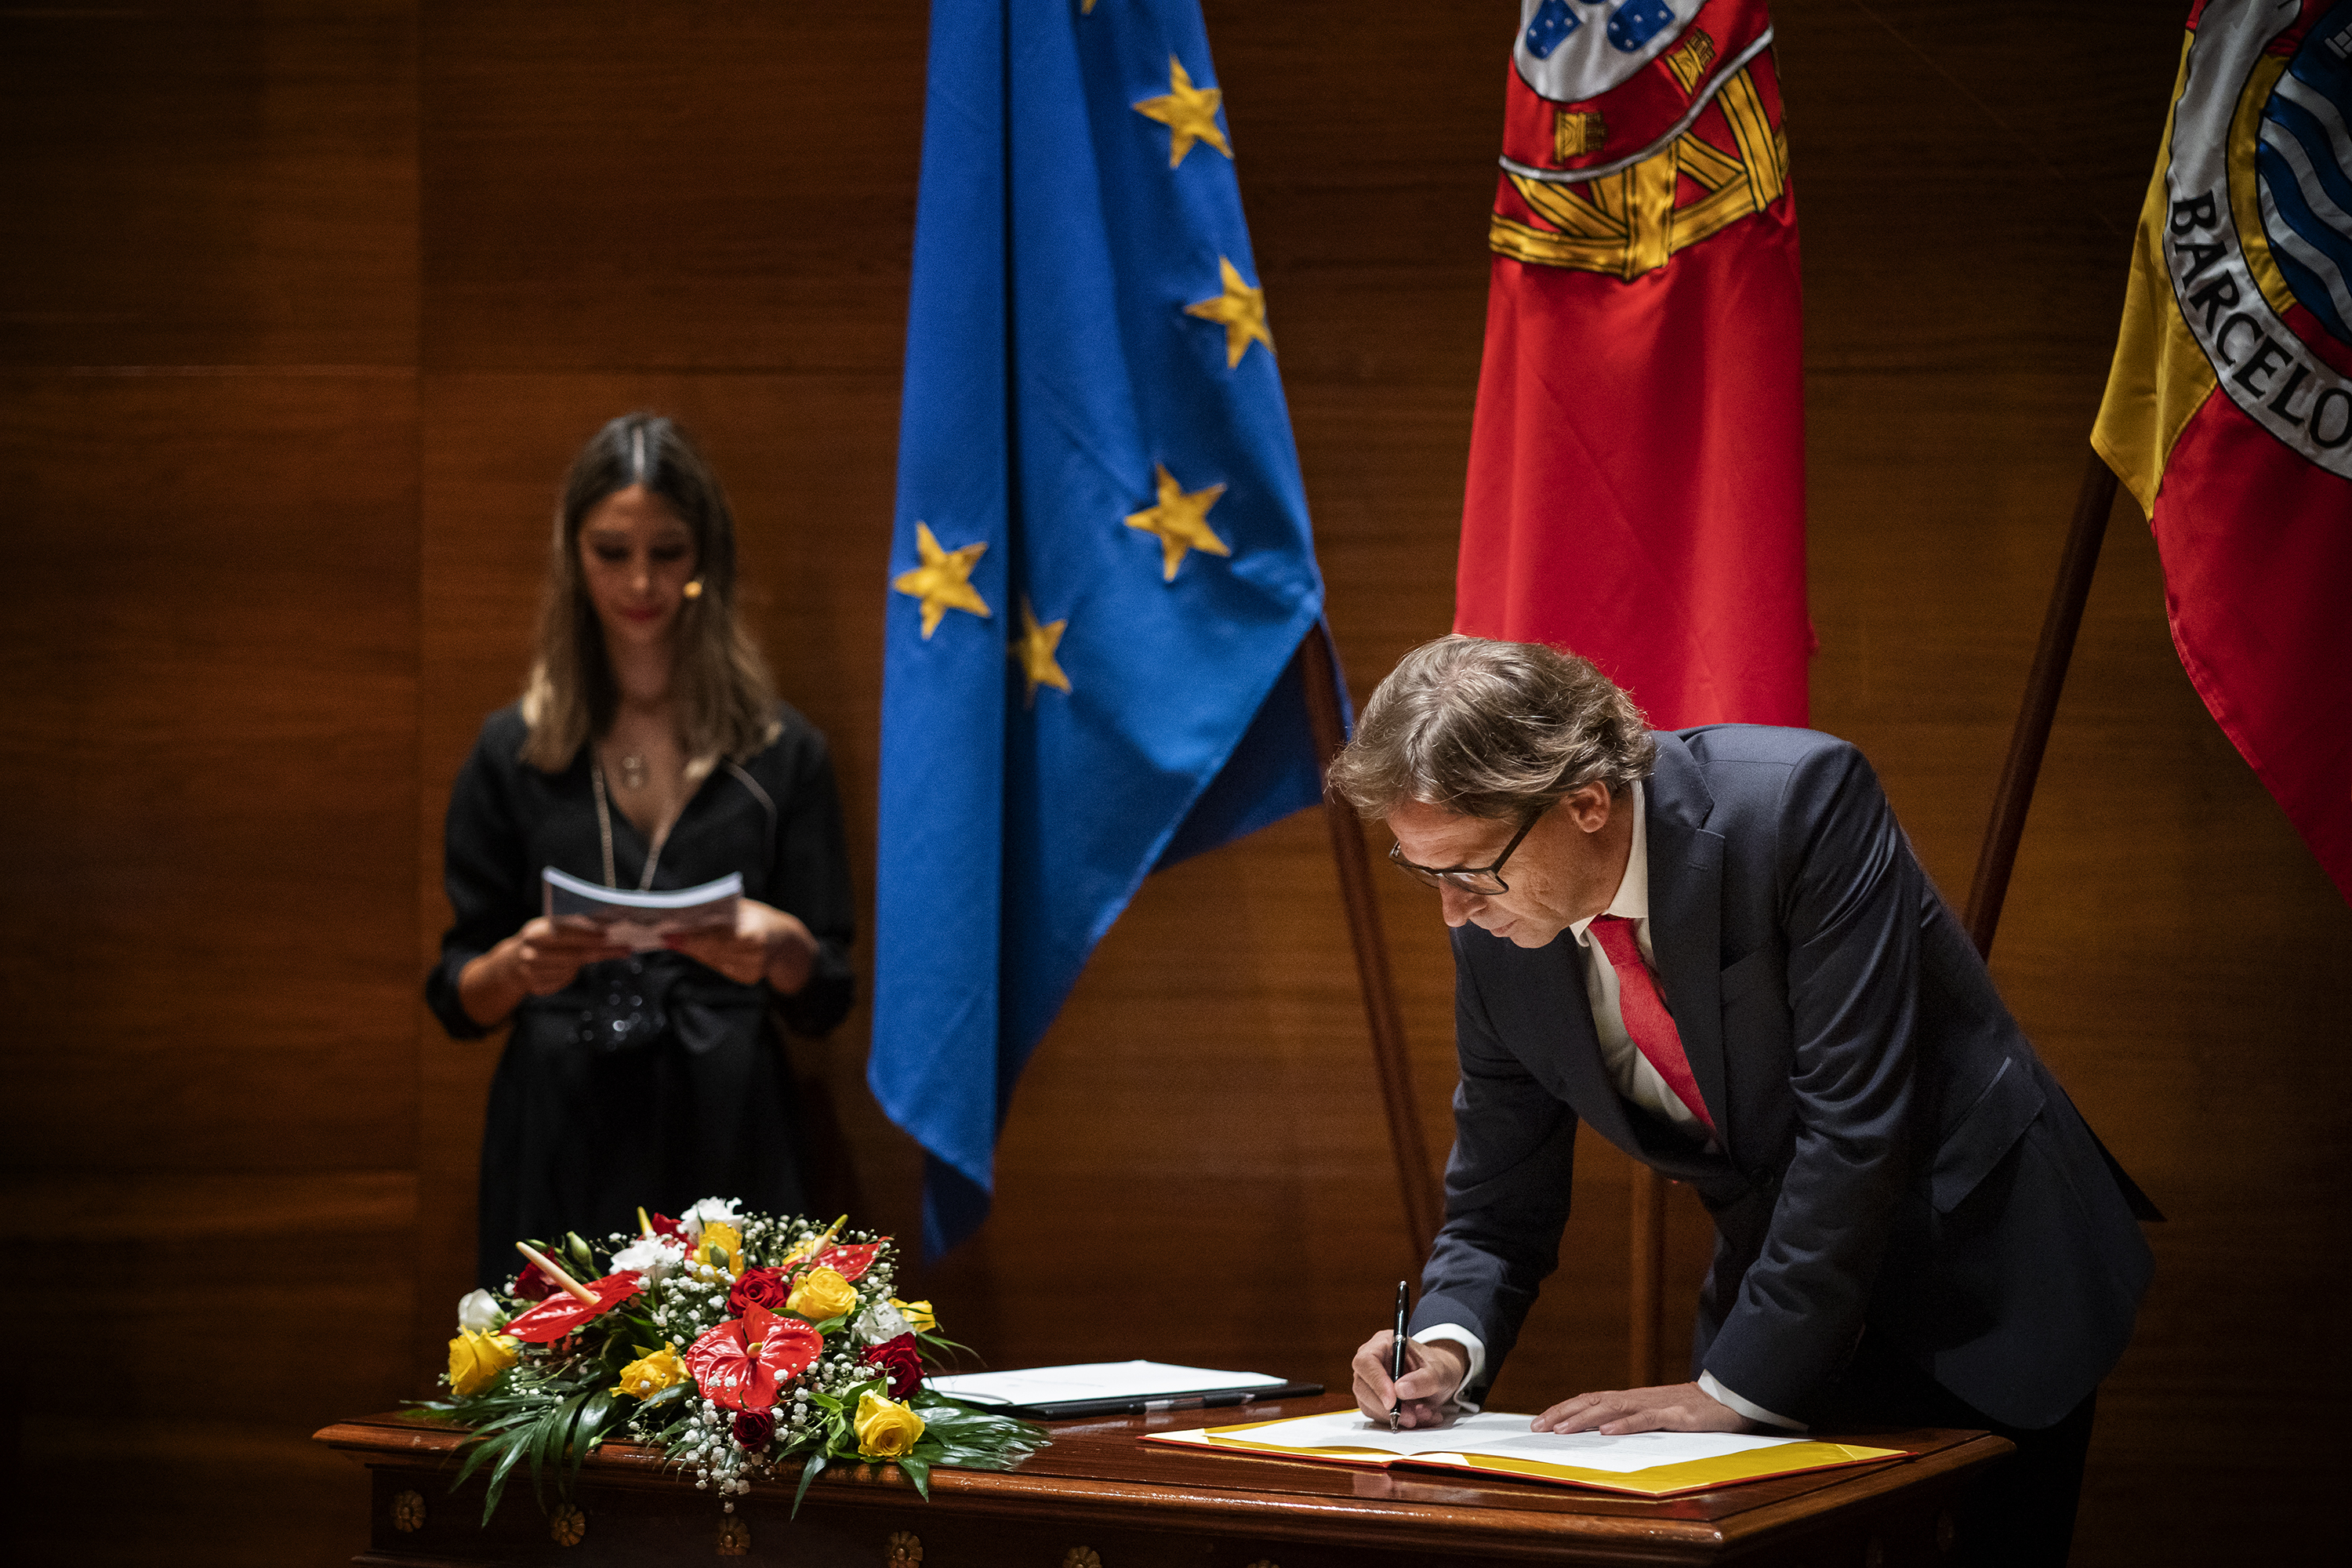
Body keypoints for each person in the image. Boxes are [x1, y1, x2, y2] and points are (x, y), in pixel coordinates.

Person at [1330, 636, 2154, 1567]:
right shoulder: (1498, 931)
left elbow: (1854, 1125)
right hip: (1781, 1287)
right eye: (1423, 871)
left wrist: (1734, 1385)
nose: (1451, 910)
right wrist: (1446, 1344)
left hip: (1981, 1261)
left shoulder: (1799, 804)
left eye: (1471, 871)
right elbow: (1497, 1194)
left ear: (1587, 801)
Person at [426, 413, 855, 1290]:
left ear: (706, 556)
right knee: (555, 1406)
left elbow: (829, 992)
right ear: (572, 558)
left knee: (734, 1396)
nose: (642, 580)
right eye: (611, 551)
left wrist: (778, 947)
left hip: (728, 1118)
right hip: (559, 1122)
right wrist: (517, 964)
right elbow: (455, 993)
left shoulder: (781, 753)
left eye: (668, 550)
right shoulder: (514, 749)